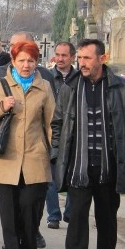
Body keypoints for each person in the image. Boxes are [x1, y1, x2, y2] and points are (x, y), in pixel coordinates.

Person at [51, 39, 125, 249]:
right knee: (77, 223)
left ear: (102, 59)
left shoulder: (122, 89)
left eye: (86, 58)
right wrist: (56, 156)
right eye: (79, 58)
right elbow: (58, 124)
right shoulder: (69, 88)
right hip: (79, 168)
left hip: (109, 167)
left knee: (107, 222)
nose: (81, 63)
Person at [0, 41, 55, 249]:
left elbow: (52, 124)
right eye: (21, 60)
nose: (26, 65)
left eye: (30, 60)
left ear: (36, 62)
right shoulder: (0, 85)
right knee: (9, 215)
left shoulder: (45, 88)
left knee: (31, 212)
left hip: (35, 158)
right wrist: (1, 105)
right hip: (6, 159)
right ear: (13, 61)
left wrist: (56, 155)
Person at [45, 42, 79, 229]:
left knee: (73, 175)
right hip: (51, 131)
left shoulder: (79, 78)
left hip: (73, 133)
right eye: (57, 54)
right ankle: (53, 215)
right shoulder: (47, 77)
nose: (60, 58)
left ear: (72, 57)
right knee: (50, 177)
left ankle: (70, 212)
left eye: (64, 55)